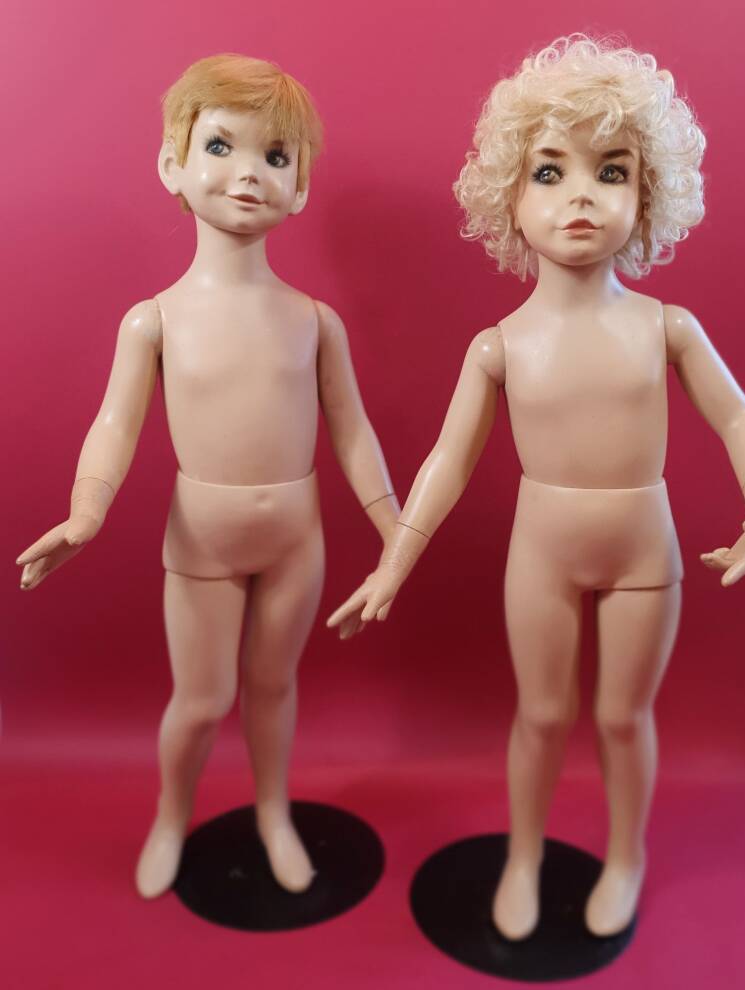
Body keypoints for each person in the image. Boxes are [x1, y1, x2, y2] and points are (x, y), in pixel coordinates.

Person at [327, 35, 745, 939]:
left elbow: (740, 417)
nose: (581, 194)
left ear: (647, 194)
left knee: (623, 718)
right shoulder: (499, 346)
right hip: (540, 555)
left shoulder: (667, 328)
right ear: (509, 196)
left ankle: (626, 856)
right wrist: (393, 564)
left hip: (643, 553)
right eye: (550, 171)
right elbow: (448, 462)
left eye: (611, 171)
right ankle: (525, 855)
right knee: (539, 717)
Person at [17, 54, 399, 900]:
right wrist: (86, 513)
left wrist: (394, 531)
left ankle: (273, 812)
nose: (248, 174)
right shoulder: (154, 321)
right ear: (172, 164)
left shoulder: (314, 322)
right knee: (199, 699)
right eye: (221, 146)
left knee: (273, 686)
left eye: (275, 156)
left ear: (300, 187)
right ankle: (171, 815)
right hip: (202, 544)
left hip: (296, 540)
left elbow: (352, 431)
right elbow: (114, 425)